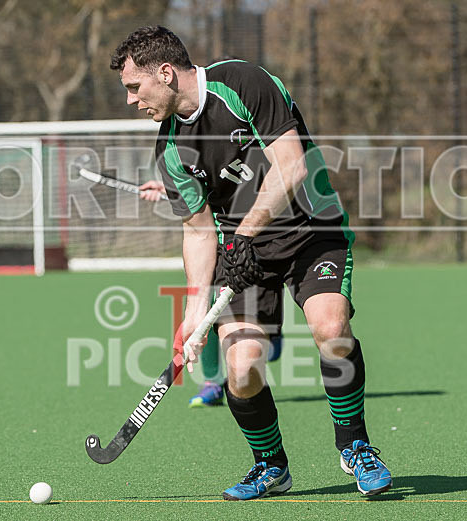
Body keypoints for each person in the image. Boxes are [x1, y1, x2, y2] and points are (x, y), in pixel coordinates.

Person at [112, 26, 391, 499]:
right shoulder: (171, 149)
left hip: (310, 230)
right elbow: (198, 230)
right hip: (242, 255)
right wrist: (194, 310)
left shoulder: (242, 83)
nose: (131, 100)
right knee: (241, 369)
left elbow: (291, 166)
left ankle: (356, 446)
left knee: (330, 327)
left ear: (165, 72)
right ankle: (271, 465)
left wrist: (243, 232)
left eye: (134, 88)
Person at [139, 179, 283, 408]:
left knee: (265, 333)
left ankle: (271, 331)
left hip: (256, 231)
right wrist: (169, 188)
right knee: (207, 302)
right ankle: (212, 381)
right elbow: (200, 179)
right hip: (212, 235)